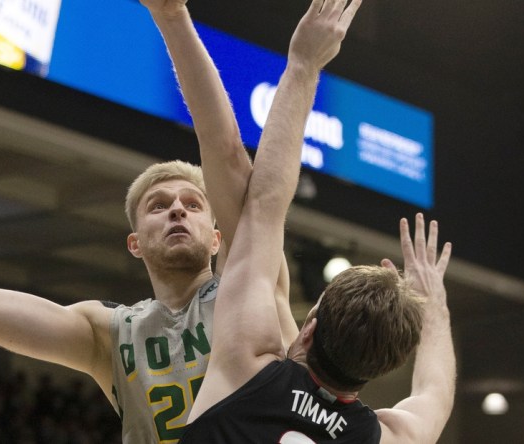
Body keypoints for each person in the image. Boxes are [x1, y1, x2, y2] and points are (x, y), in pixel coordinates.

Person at [0, 1, 297, 442]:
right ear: (135, 244)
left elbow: (225, 150)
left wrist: (172, 17)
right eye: (158, 205)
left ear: (218, 238)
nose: (175, 209)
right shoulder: (108, 332)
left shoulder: (248, 281)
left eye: (193, 204)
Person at [179, 1, 456, 442]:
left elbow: (265, 205)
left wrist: (304, 63)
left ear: (308, 328)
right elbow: (435, 394)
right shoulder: (380, 437)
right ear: (383, 368)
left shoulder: (249, 363)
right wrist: (434, 309)